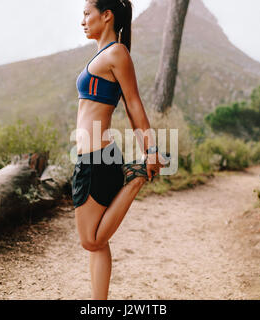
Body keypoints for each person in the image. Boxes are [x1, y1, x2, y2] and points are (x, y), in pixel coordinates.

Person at [72, 0, 166, 300]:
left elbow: (133, 104)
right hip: (91, 157)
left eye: (87, 14)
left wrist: (150, 151)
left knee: (91, 240)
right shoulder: (103, 54)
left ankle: (135, 178)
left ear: (107, 15)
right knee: (97, 243)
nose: (83, 21)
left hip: (99, 157)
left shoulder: (117, 53)